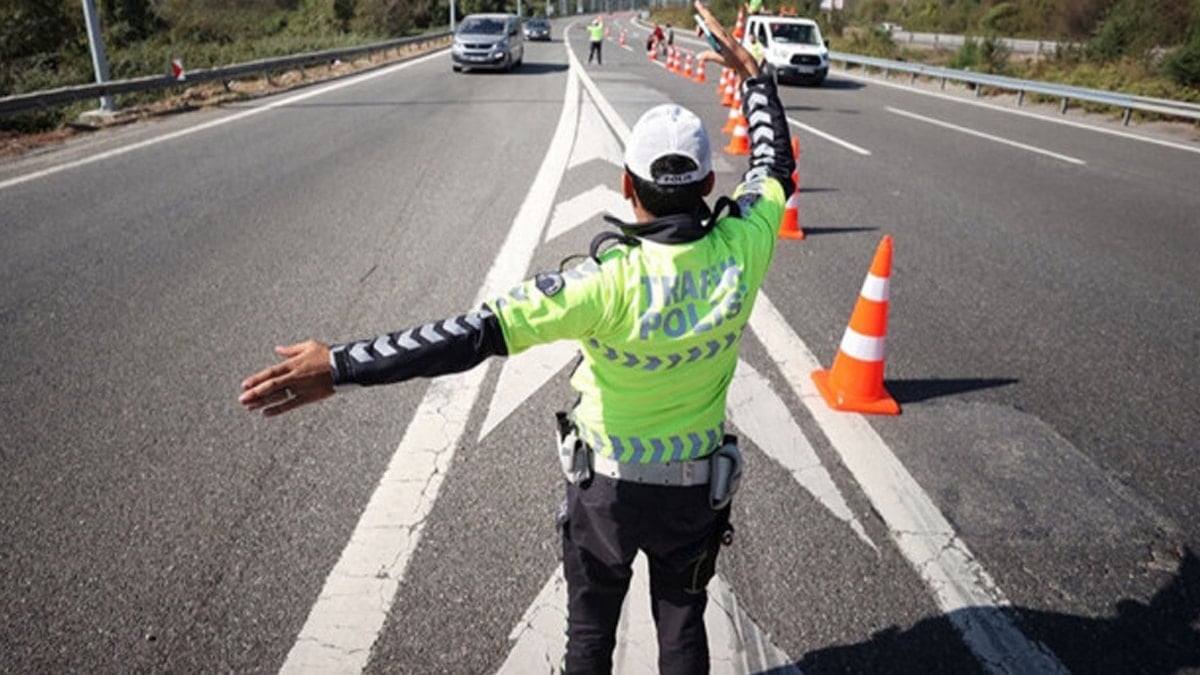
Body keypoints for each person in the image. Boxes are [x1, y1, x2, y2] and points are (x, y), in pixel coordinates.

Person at [237, 2, 794, 672]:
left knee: (589, 637)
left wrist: (342, 364)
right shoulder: (745, 245)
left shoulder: (599, 284)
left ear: (625, 186)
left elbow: (468, 335)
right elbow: (774, 164)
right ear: (708, 183)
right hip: (693, 492)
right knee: (682, 625)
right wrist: (757, 81)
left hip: (608, 495)